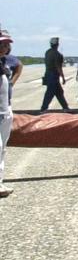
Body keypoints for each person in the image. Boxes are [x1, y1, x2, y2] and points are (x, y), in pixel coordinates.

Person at [1, 30, 23, 198]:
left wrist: (12, 82)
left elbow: (19, 66)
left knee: (2, 148)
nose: (4, 47)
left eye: (6, 44)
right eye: (1, 43)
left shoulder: (6, 62)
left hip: (5, 109)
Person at [40, 37, 69, 112]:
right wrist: (63, 77)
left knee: (59, 92)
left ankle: (65, 107)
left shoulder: (47, 52)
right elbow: (59, 67)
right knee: (50, 92)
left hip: (47, 74)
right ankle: (43, 109)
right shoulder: (58, 55)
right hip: (54, 75)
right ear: (57, 45)